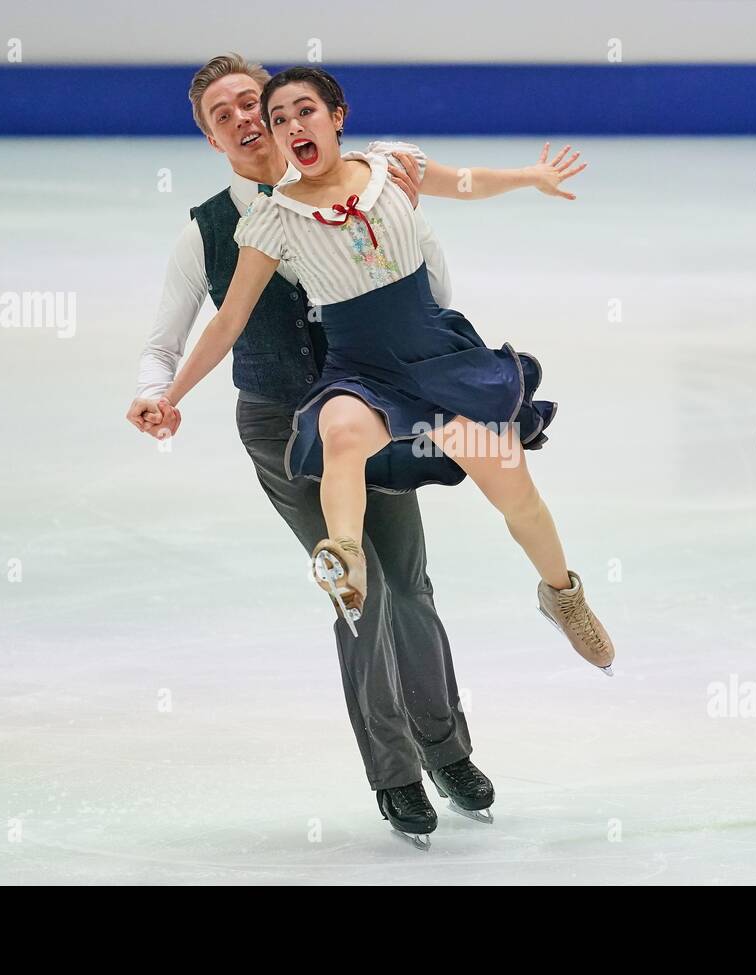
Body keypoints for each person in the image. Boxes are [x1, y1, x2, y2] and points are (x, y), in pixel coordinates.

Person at [128, 55, 588, 846]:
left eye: (254, 103)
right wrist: (157, 392)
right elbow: (179, 334)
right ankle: (395, 774)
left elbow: (428, 274)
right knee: (360, 592)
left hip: (378, 401)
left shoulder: (372, 178)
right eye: (223, 115)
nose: (244, 119)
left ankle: (447, 751)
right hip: (282, 422)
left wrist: (440, 380)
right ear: (211, 139)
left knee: (408, 580)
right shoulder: (215, 227)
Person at [157, 65, 616, 681]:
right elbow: (228, 320)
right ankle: (344, 557)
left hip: (437, 358)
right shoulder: (272, 221)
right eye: (279, 119)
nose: (292, 126)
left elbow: (468, 182)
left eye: (305, 111)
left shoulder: (390, 169)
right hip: (361, 371)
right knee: (342, 431)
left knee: (518, 497)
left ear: (336, 117)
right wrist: (170, 395)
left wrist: (530, 177)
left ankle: (562, 594)